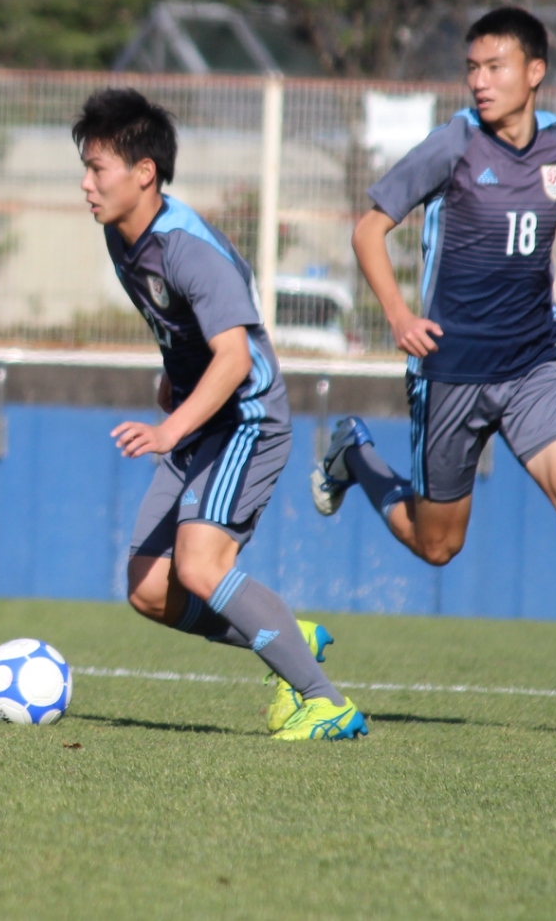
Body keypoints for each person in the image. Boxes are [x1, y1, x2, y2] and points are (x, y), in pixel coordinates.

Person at [312, 6, 556, 739]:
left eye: (494, 66)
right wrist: (398, 314)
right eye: (471, 67)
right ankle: (355, 455)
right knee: (437, 545)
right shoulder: (453, 145)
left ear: (535, 72)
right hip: (451, 371)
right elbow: (369, 228)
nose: (479, 80)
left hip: (534, 365)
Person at [77, 87, 367, 741]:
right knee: (149, 588)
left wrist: (168, 429)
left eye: (97, 168)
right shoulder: (122, 237)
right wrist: (172, 378)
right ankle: (288, 636)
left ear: (143, 172)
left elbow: (234, 359)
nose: (86, 184)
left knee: (201, 565)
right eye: (86, 168)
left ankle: (325, 701)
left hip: (245, 420)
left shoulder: (186, 247)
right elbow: (181, 325)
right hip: (201, 417)